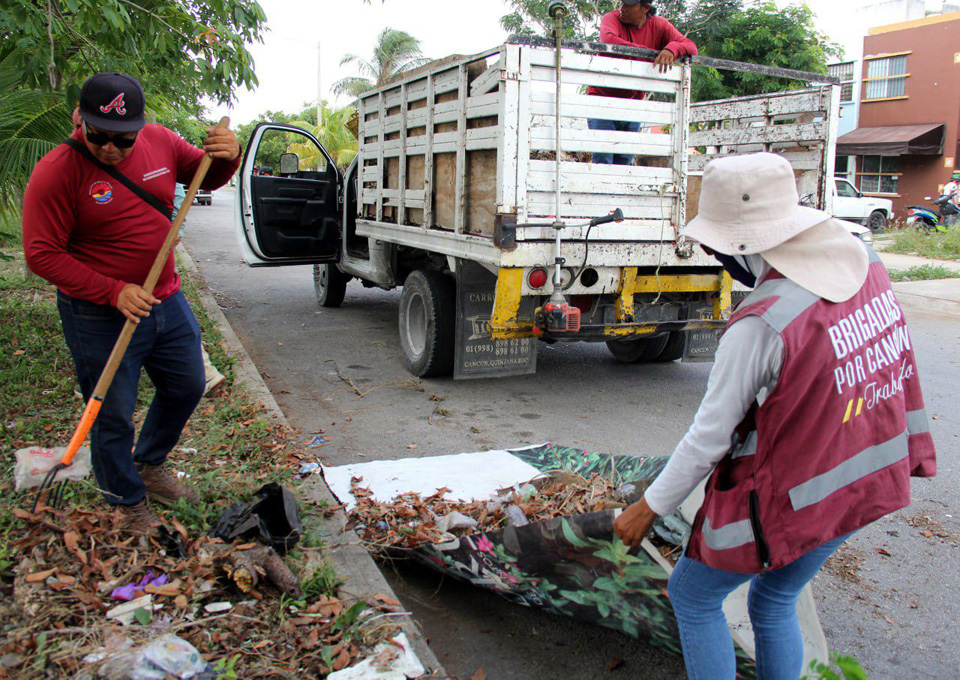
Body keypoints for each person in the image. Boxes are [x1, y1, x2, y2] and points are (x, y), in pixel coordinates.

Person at [614, 153, 937, 679]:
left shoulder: (761, 325)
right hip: (871, 476)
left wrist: (647, 507)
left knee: (692, 596)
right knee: (773, 597)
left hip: (809, 494)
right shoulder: (862, 256)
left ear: (737, 244)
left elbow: (709, 437)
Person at [23, 73, 241, 532]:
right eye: (98, 135)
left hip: (166, 297)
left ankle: (149, 463)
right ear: (79, 119)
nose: (109, 149)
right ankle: (125, 500)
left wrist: (227, 157)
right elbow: (41, 254)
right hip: (98, 312)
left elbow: (205, 175)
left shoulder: (160, 141)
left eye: (122, 140)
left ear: (141, 128)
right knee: (112, 411)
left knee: (186, 385)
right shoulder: (57, 171)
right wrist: (113, 291)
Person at [587, 0, 697, 165]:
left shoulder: (659, 25)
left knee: (625, 159)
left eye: (629, 5)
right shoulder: (612, 18)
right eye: (622, 3)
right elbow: (609, 41)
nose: (622, 9)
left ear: (645, 8)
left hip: (634, 104)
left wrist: (671, 49)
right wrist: (651, 54)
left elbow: (690, 46)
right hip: (603, 100)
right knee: (604, 158)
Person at [172, 183, 226, 395]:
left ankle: (205, 373)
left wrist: (175, 231)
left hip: (152, 256)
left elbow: (178, 198)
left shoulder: (159, 159)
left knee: (170, 315)